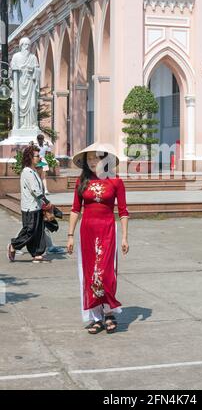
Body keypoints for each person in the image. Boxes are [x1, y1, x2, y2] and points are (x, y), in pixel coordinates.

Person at [67, 143, 129, 335]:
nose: (93, 161)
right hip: (87, 232)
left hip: (108, 230)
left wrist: (125, 237)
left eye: (97, 157)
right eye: (90, 158)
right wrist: (70, 235)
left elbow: (123, 211)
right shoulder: (82, 181)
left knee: (105, 272)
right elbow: (75, 210)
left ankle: (109, 313)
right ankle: (95, 317)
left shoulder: (116, 181)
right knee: (89, 273)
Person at [7, 145, 52, 263]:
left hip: (36, 206)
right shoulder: (27, 172)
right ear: (30, 158)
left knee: (38, 231)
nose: (39, 158)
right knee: (29, 231)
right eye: (37, 156)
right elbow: (35, 190)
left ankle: (36, 253)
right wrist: (46, 201)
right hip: (29, 207)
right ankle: (13, 245)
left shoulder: (33, 171)